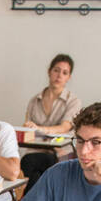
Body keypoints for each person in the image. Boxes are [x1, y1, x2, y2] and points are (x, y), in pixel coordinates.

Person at [20, 53, 82, 192]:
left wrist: (39, 128)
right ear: (49, 71)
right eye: (56, 70)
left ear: (68, 77)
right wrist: (30, 128)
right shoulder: (34, 100)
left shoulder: (73, 101)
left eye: (64, 73)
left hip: (60, 152)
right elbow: (27, 127)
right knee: (35, 174)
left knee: (29, 162)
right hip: (36, 150)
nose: (59, 76)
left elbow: (65, 127)